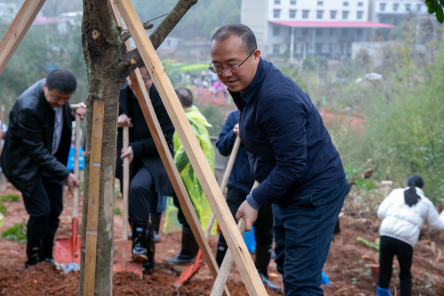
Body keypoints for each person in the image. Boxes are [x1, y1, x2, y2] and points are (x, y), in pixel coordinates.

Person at [209, 24, 347, 295]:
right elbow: (264, 143)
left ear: (256, 55)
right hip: (287, 189)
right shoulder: (244, 85)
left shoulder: (276, 98)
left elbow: (294, 164)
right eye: (217, 66)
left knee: (300, 282)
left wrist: (255, 199)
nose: (225, 74)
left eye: (232, 64)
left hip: (313, 192)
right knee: (286, 263)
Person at [1, 69, 86, 268]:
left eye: (67, 99)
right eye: (57, 98)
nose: (61, 102)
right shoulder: (28, 107)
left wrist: (73, 113)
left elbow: (53, 121)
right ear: (46, 87)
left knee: (55, 209)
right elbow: (36, 151)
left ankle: (47, 257)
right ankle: (33, 260)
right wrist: (66, 173)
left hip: (50, 163)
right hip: (25, 166)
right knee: (41, 211)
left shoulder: (58, 97)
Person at [118, 64, 175, 272]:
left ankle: (139, 243)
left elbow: (165, 139)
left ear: (150, 77)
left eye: (141, 80)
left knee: (137, 188)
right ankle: (147, 259)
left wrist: (137, 147)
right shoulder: (122, 91)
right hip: (128, 158)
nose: (134, 85)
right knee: (135, 204)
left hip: (153, 157)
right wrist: (116, 119)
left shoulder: (163, 98)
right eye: (131, 80)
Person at [215, 110, 280, 290]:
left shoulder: (272, 115)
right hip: (238, 185)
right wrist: (234, 134)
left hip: (266, 187)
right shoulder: (234, 116)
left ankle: (261, 274)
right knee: (228, 231)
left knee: (265, 233)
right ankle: (218, 272)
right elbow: (221, 146)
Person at [165, 88, 215, 264]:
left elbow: (186, 150)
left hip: (191, 177)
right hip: (194, 175)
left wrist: (173, 169)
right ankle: (190, 253)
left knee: (189, 215)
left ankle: (188, 254)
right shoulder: (195, 118)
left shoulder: (189, 122)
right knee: (190, 214)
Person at [376, 175, 444, 296]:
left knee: (384, 268)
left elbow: (380, 212)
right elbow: (438, 224)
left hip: (386, 235)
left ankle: (381, 293)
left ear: (407, 185)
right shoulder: (426, 203)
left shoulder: (396, 193)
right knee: (405, 274)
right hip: (405, 241)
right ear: (422, 188)